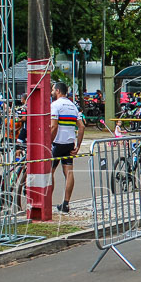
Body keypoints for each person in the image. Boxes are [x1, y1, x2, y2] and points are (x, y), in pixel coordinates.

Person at [50, 82, 85, 214]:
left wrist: (48, 143)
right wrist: (78, 146)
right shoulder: (73, 106)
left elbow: (53, 127)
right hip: (69, 143)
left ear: (58, 91)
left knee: (49, 172)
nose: (52, 92)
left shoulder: (55, 105)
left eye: (53, 90)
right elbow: (81, 126)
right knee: (68, 173)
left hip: (57, 143)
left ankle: (48, 202)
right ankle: (65, 203)